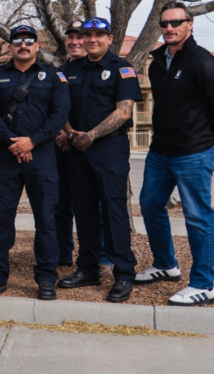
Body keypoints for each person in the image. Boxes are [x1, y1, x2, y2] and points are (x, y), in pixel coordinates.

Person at [137, 2, 214, 306]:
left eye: (176, 22)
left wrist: (212, 139)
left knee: (197, 216)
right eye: (164, 24)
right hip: (160, 151)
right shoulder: (157, 63)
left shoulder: (204, 63)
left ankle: (204, 284)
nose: (169, 28)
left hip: (193, 151)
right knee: (150, 204)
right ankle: (166, 264)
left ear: (189, 25)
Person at [0, 25, 69, 301]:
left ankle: (46, 278)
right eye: (18, 41)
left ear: (37, 46)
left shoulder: (53, 76)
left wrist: (32, 141)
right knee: (2, 217)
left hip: (42, 156)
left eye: (29, 41)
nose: (23, 45)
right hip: (6, 155)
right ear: (10, 47)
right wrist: (12, 141)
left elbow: (59, 113)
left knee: (46, 219)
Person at [57, 17, 142, 303]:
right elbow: (60, 108)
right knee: (84, 211)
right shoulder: (70, 68)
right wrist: (71, 134)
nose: (91, 39)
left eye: (98, 35)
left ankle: (124, 274)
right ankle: (88, 268)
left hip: (109, 150)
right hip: (77, 150)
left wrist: (90, 135)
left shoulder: (122, 69)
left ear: (110, 38)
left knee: (114, 212)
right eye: (87, 34)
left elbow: (124, 112)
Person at [54, 21, 85, 267]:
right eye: (70, 37)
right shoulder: (60, 72)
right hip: (62, 147)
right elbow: (55, 108)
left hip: (91, 148)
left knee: (92, 207)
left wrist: (72, 134)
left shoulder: (100, 68)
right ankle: (63, 254)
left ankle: (97, 258)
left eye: (80, 36)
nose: (74, 41)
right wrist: (66, 132)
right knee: (60, 205)